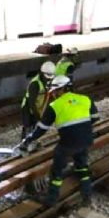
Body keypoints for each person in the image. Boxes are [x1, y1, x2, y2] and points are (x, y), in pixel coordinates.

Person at [16, 74, 99, 207]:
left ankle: (51, 199)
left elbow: (41, 129)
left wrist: (28, 139)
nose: (53, 94)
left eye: (54, 92)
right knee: (83, 167)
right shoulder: (85, 99)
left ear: (63, 89)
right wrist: (81, 127)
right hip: (86, 140)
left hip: (68, 144)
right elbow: (95, 117)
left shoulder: (54, 106)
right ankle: (87, 196)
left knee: (56, 170)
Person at [21, 61, 56, 137]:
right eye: (47, 77)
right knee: (28, 125)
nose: (48, 79)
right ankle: (24, 144)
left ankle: (33, 141)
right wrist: (38, 117)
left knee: (35, 127)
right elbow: (31, 103)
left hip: (38, 106)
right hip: (28, 107)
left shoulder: (47, 81)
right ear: (41, 73)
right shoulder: (35, 84)